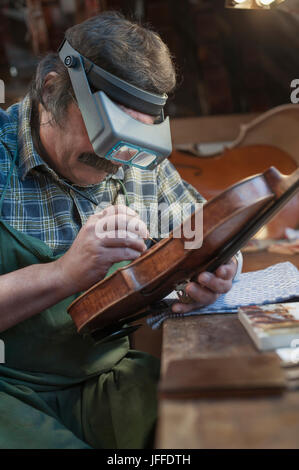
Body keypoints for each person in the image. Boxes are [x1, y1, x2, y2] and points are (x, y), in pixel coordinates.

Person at [0, 11, 240, 449]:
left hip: (106, 382)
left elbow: (209, 230)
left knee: (210, 430)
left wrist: (219, 268)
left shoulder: (138, 160)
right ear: (53, 89)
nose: (118, 161)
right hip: (8, 390)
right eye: (107, 139)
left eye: (134, 145)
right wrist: (63, 275)